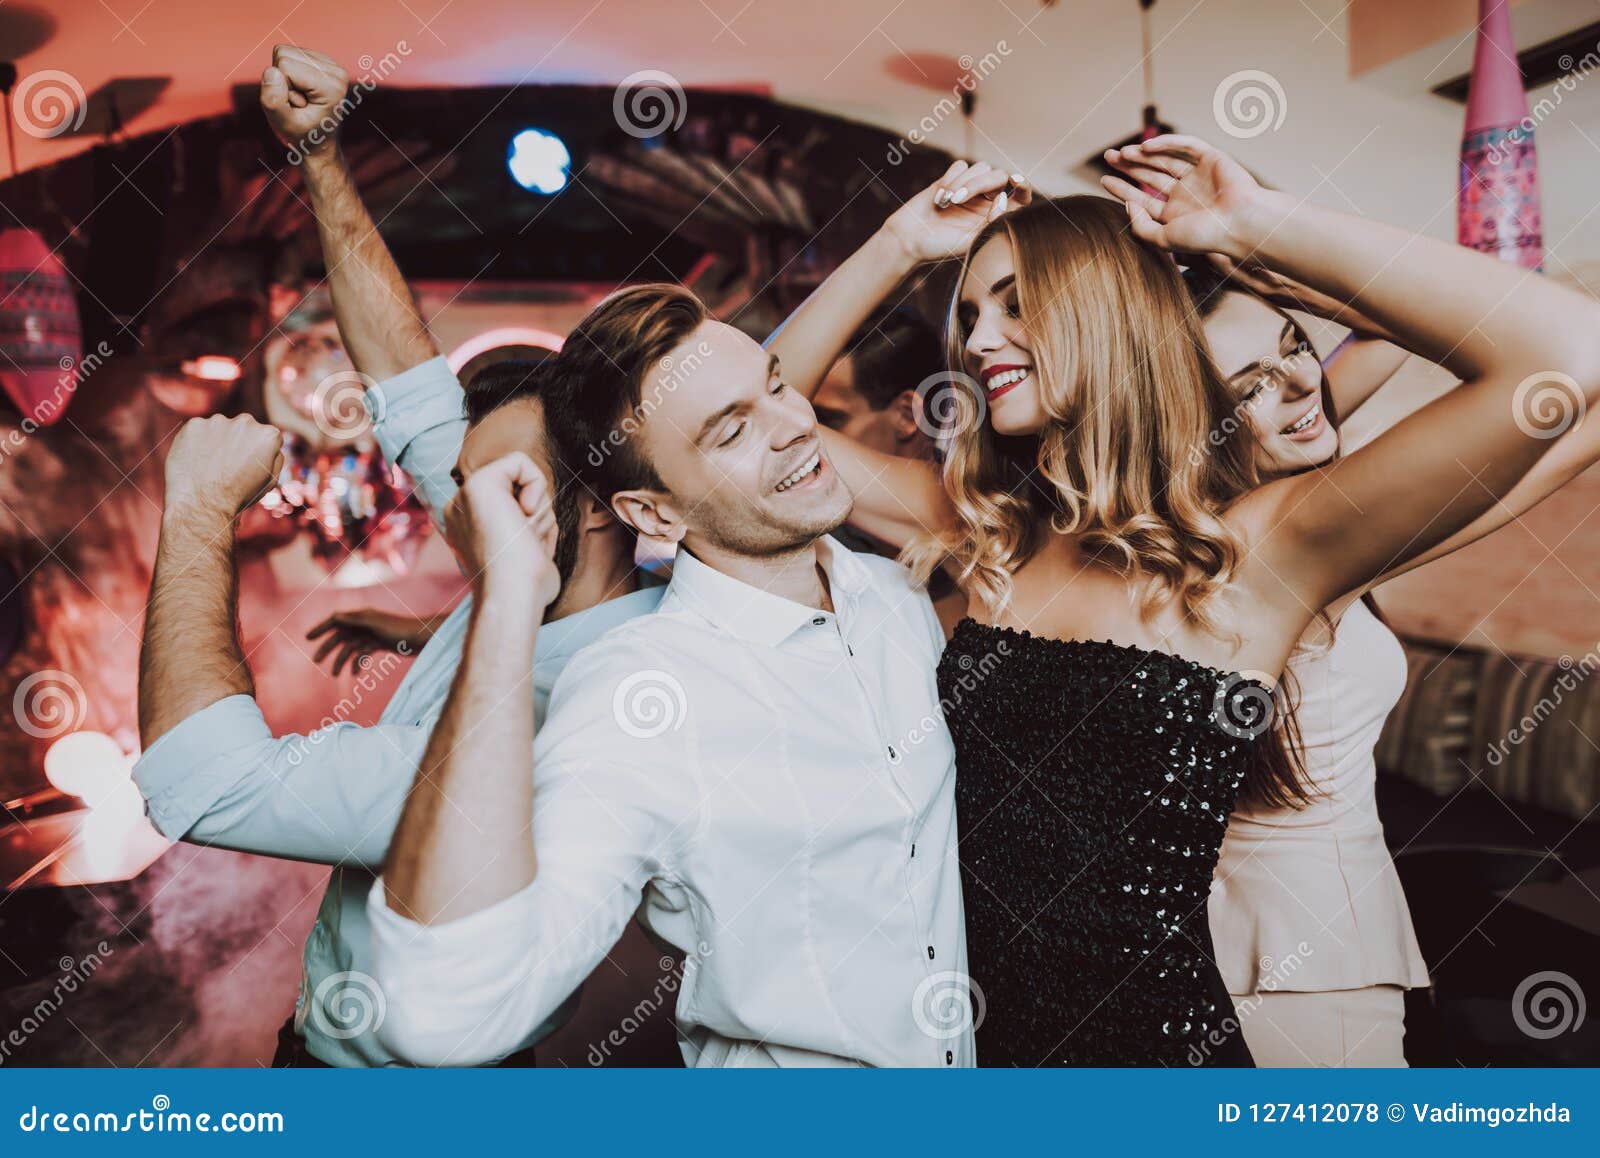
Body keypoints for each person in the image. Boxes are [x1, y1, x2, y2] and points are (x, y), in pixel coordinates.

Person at [765, 140, 1600, 1065]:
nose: (979, 339)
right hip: (988, 1045)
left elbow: (1567, 357)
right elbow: (761, 425)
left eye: (1015, 304)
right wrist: (895, 244)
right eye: (970, 313)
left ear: (1106, 315)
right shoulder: (991, 534)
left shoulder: (1260, 552)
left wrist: (1258, 228)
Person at [131, 44, 661, 1068]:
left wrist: (197, 507)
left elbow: (200, 785)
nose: (451, 511)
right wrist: (323, 155)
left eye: (489, 487)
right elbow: (407, 380)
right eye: (458, 480)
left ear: (600, 510)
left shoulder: (568, 711)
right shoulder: (540, 552)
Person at [366, 281, 974, 1068]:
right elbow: (441, 1016)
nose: (794, 426)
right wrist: (507, 597)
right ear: (655, 515)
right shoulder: (641, 695)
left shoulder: (895, 603)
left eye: (778, 385)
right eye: (731, 431)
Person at [1181, 252, 1600, 1065]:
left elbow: (1351, 366)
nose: (1301, 381)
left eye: (1298, 343)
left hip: (1264, 930)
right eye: (1245, 388)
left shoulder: (1215, 536)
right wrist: (1267, 240)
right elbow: (1564, 411)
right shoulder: (1294, 546)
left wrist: (1274, 284)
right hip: (1305, 947)